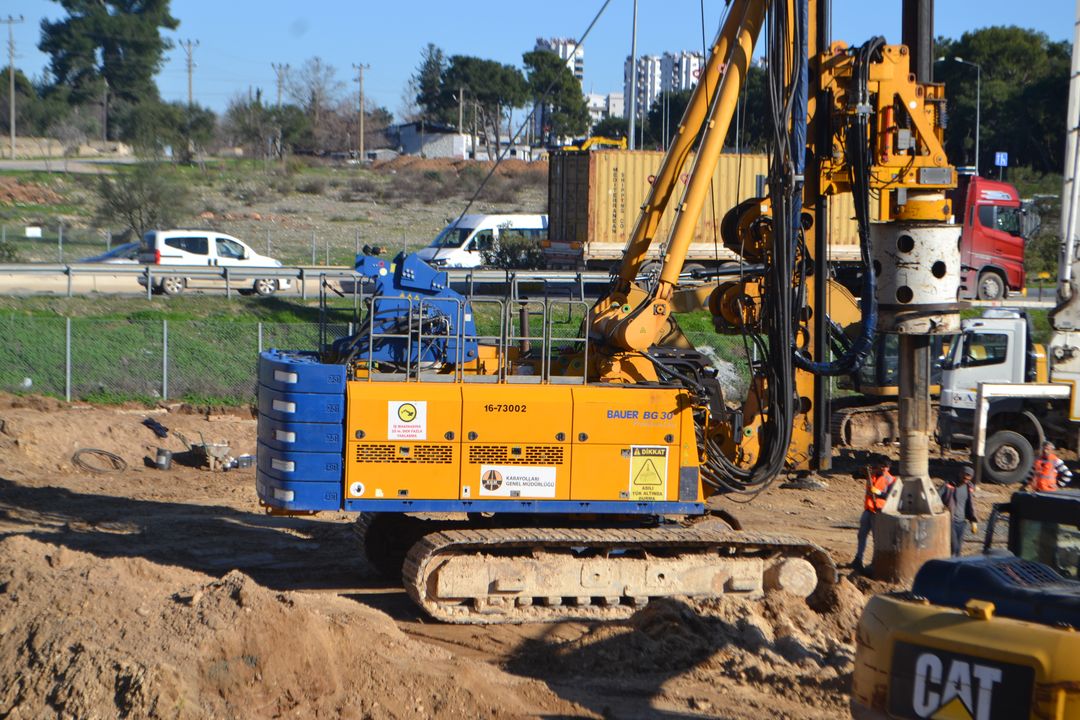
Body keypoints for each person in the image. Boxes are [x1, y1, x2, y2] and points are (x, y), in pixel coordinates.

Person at [853, 458, 896, 571]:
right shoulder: (871, 474)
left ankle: (875, 562)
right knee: (861, 535)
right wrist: (862, 470)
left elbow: (891, 496)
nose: (882, 468)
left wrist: (878, 493)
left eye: (884, 467)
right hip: (868, 510)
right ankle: (858, 559)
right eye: (881, 465)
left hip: (879, 512)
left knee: (877, 539)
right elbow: (855, 475)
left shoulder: (891, 480)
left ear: (888, 468)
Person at [940, 466, 978, 557]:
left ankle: (956, 565)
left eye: (969, 478)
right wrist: (943, 509)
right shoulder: (949, 485)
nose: (966, 480)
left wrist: (973, 520)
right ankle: (951, 565)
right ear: (960, 474)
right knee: (954, 546)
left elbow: (970, 504)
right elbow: (936, 497)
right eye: (965, 477)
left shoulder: (969, 487)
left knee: (959, 548)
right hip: (950, 521)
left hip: (962, 522)